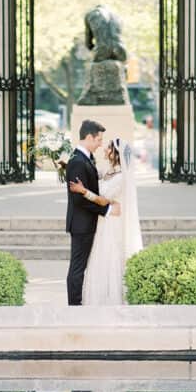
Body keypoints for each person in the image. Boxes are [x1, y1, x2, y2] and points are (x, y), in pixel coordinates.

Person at [68, 136, 143, 305]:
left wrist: (83, 191)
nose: (105, 149)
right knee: (98, 257)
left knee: (109, 256)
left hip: (111, 223)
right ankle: (97, 297)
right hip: (103, 221)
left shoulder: (121, 177)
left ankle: (109, 299)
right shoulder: (109, 171)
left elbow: (103, 199)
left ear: (115, 154)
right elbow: (91, 174)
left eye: (108, 147)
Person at [66, 120, 121, 306]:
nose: (100, 144)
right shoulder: (77, 161)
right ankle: (74, 305)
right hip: (81, 224)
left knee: (81, 266)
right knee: (78, 267)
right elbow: (79, 200)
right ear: (89, 137)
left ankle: (78, 302)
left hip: (87, 222)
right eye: (98, 139)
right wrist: (106, 209)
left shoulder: (85, 158)